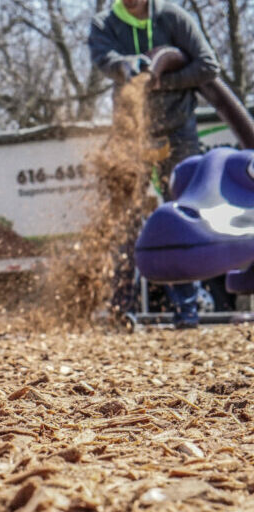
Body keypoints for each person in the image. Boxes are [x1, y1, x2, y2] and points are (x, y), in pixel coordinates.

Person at [88, 0, 219, 329]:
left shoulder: (173, 18)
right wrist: (126, 66)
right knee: (124, 218)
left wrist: (161, 79)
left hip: (178, 132)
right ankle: (121, 310)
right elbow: (105, 60)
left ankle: (188, 308)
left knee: (181, 215)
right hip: (131, 133)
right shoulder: (105, 24)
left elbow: (208, 66)